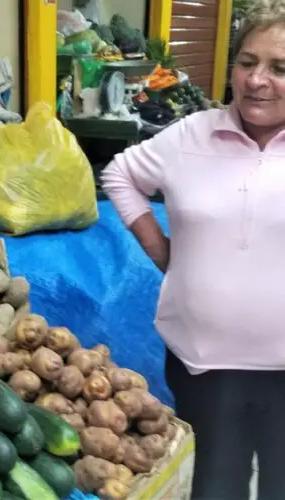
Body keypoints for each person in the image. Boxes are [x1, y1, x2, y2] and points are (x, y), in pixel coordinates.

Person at [101, 1, 285, 499]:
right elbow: (119, 173)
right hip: (204, 362)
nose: (257, 81)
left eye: (279, 68)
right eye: (247, 63)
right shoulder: (190, 135)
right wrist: (158, 246)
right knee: (215, 484)